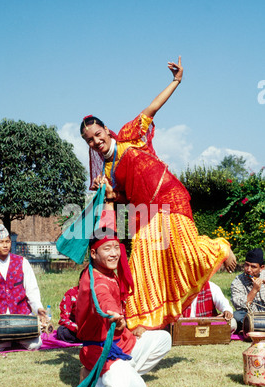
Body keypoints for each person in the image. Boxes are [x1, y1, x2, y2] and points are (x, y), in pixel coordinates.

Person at [80, 56, 236, 335]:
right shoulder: (107, 169)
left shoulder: (129, 135)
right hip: (145, 215)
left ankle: (220, 247)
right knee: (142, 263)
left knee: (185, 255)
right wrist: (105, 191)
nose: (96, 141)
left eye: (97, 134)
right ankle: (141, 324)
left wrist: (175, 81)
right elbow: (121, 199)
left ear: (106, 130)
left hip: (169, 199)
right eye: (89, 140)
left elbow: (153, 107)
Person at [75, 226, 172, 387]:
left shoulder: (109, 274)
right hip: (101, 351)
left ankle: (124, 370)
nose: (114, 253)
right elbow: (102, 297)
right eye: (107, 248)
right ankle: (93, 376)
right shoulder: (94, 281)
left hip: (122, 343)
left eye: (115, 247)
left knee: (164, 339)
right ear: (94, 253)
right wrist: (113, 314)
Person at [0, 224, 47, 352]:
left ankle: (16, 339)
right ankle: (7, 341)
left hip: (22, 318)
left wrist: (38, 308)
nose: (5, 245)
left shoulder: (22, 262)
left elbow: (32, 290)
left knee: (35, 345)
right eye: (1, 242)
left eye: (7, 241)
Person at [231, 248, 265, 333]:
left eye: (253, 267)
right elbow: (240, 306)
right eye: (246, 265)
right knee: (236, 315)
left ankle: (250, 329)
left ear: (261, 268)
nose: (248, 269)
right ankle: (253, 327)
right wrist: (254, 290)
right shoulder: (237, 282)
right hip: (248, 316)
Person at [56, 277, 81, 343]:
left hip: (91, 328)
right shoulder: (71, 294)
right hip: (76, 328)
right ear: (80, 281)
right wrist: (76, 327)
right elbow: (64, 318)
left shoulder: (97, 293)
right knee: (62, 331)